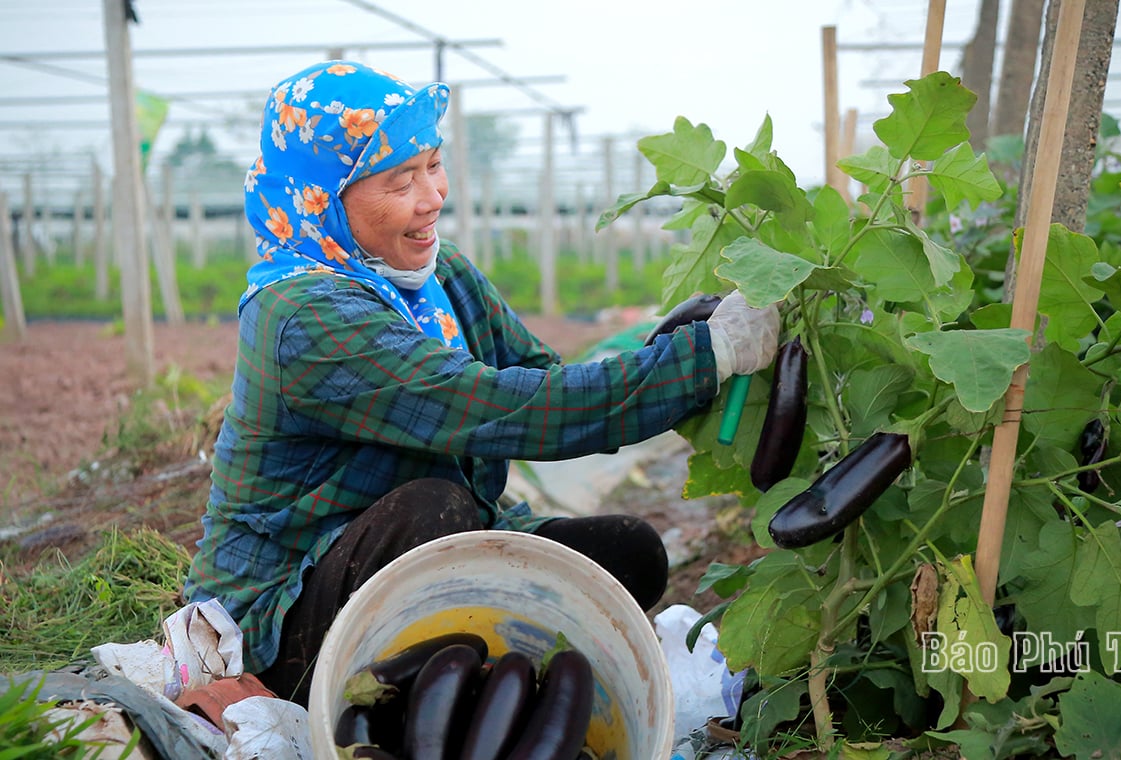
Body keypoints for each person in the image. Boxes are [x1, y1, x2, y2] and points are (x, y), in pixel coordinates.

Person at [182, 60, 780, 706]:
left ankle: (478, 668)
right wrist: (703, 357)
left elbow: (541, 378)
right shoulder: (303, 317)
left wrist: (672, 346)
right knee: (437, 510)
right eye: (399, 180)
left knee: (630, 554)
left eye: (433, 166)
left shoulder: (435, 274)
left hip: (422, 551)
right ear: (322, 198)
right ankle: (395, 692)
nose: (432, 196)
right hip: (286, 617)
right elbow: (500, 409)